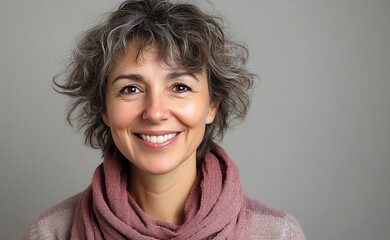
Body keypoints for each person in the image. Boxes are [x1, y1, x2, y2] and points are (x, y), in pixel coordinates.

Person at [24, 0, 306, 239]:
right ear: (105, 110)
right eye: (130, 89)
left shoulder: (276, 233)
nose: (155, 112)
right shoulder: (50, 233)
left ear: (211, 105)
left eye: (180, 87)